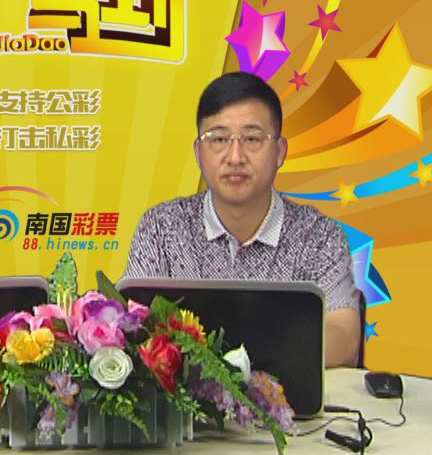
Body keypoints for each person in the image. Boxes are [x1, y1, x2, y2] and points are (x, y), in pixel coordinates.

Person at [125, 72, 360, 368]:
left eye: (251, 139)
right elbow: (134, 326)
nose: (235, 157)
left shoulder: (318, 236)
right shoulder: (161, 228)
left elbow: (343, 335)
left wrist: (250, 362)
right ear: (199, 152)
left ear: (279, 152)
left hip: (288, 394)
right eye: (219, 139)